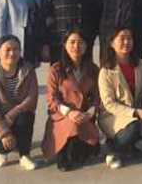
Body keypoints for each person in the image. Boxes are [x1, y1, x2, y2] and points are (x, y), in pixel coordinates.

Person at [41, 30, 101, 171]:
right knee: (71, 131)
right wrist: (69, 112)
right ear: (65, 45)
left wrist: (90, 112)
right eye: (72, 42)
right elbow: (51, 98)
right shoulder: (56, 69)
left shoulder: (93, 69)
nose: (76, 46)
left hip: (84, 115)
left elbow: (98, 96)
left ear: (86, 46)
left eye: (80, 42)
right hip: (62, 115)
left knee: (81, 148)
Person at [97, 27, 142, 169]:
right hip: (112, 116)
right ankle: (114, 151)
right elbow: (109, 103)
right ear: (112, 43)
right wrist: (134, 113)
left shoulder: (140, 65)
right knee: (133, 128)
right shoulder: (106, 70)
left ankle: (122, 144)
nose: (126, 42)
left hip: (137, 116)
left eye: (129, 38)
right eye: (122, 38)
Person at [0, 35, 39, 170]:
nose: (12, 53)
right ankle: (2, 152)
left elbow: (31, 99)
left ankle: (24, 155)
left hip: (19, 116)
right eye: (7, 49)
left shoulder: (28, 70)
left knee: (26, 118)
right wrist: (4, 133)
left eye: (16, 49)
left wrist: (11, 116)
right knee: (3, 142)